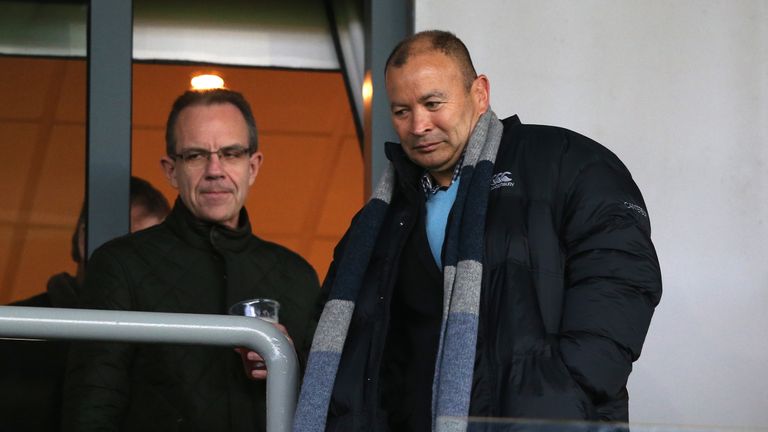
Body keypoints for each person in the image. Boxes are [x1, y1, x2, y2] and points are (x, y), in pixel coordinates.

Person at [294, 30, 663, 431]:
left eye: (433, 103)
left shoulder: (567, 162)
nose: (419, 125)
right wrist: (290, 352)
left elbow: (620, 280)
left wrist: (561, 395)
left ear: (480, 93)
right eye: (401, 111)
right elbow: (349, 329)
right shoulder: (381, 216)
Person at [62, 89, 320, 431]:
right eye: (197, 155)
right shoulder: (120, 265)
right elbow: (92, 408)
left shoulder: (296, 275)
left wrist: (288, 363)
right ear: (171, 171)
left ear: (253, 166)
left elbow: (326, 404)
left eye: (231, 153)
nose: (215, 170)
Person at [0, 176, 170, 432]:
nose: (145, 267)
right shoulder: (14, 332)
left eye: (156, 254)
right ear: (83, 240)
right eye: (131, 250)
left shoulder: (165, 339)